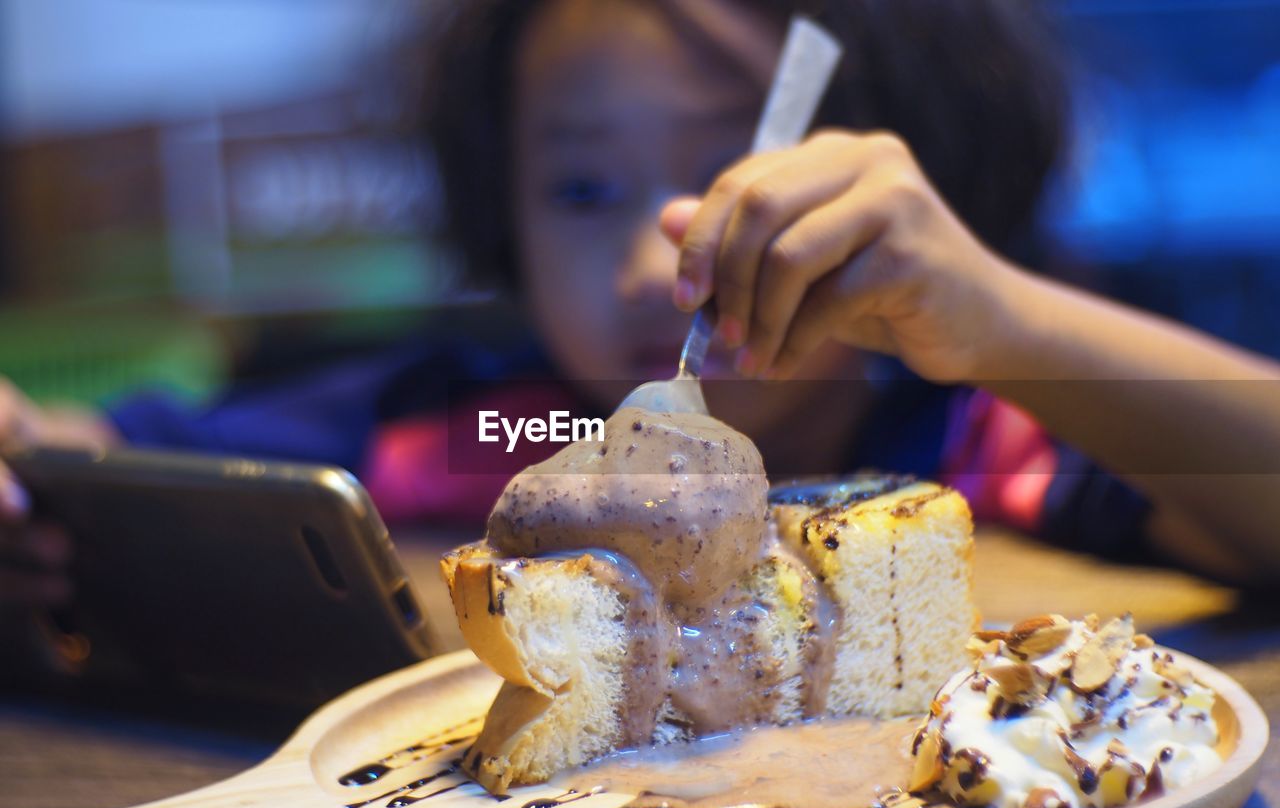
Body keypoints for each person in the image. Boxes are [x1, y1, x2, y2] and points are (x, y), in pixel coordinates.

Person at [2, 0, 1279, 615]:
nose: (644, 260)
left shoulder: (987, 437)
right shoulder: (470, 429)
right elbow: (107, 448)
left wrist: (998, 316)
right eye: (579, 185)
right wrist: (28, 453)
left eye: (741, 174)